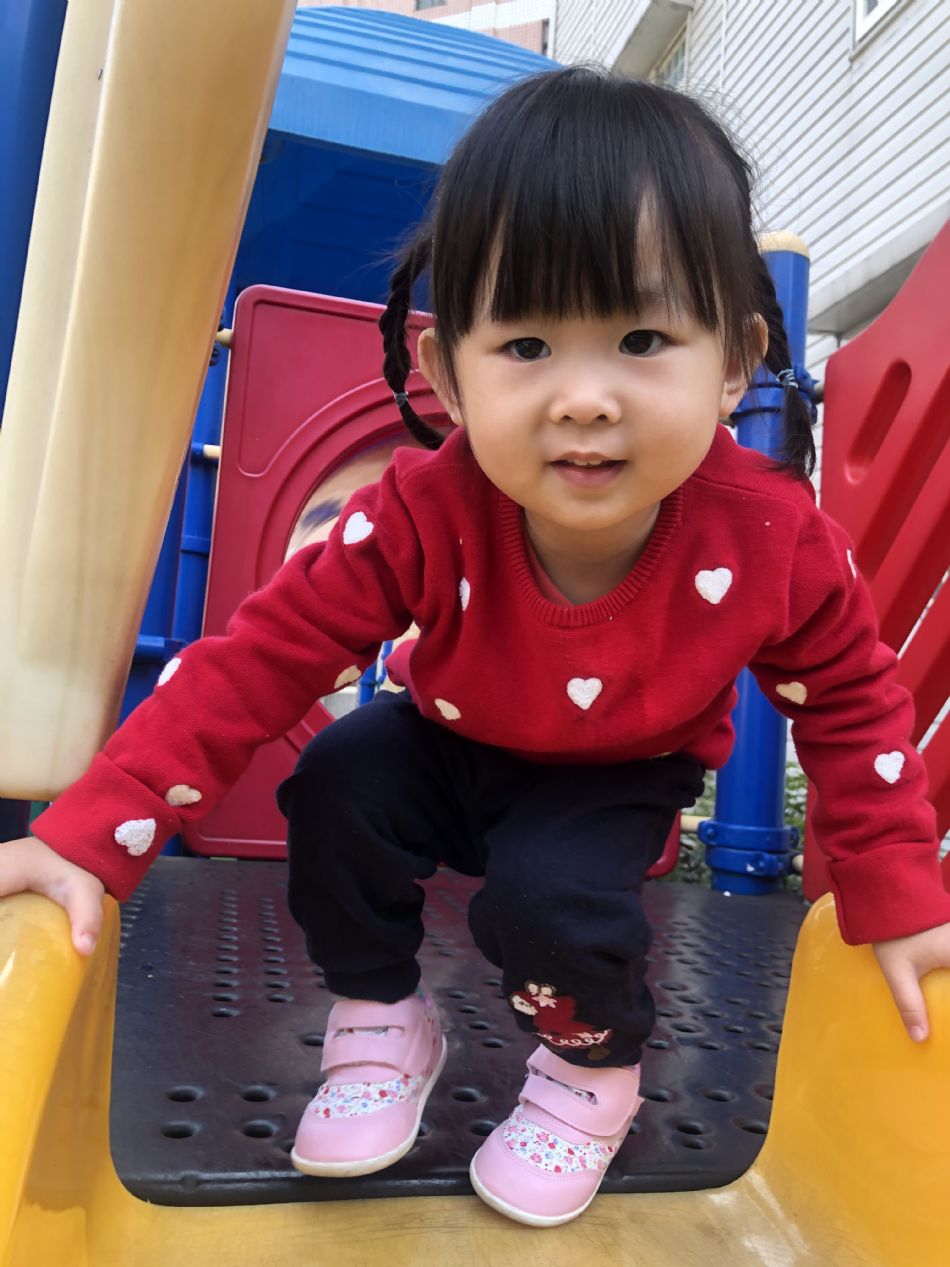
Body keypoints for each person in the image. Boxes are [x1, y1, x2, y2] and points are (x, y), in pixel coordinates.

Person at [2, 67, 949, 1229]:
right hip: (449, 740)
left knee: (553, 899)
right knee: (337, 783)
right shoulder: (420, 509)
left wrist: (894, 888)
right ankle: (378, 1013)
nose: (583, 398)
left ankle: (591, 1068)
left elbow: (850, 700)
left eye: (641, 337)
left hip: (616, 773)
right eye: (527, 343)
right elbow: (259, 661)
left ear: (733, 361)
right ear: (448, 374)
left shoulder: (770, 537)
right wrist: (93, 830)